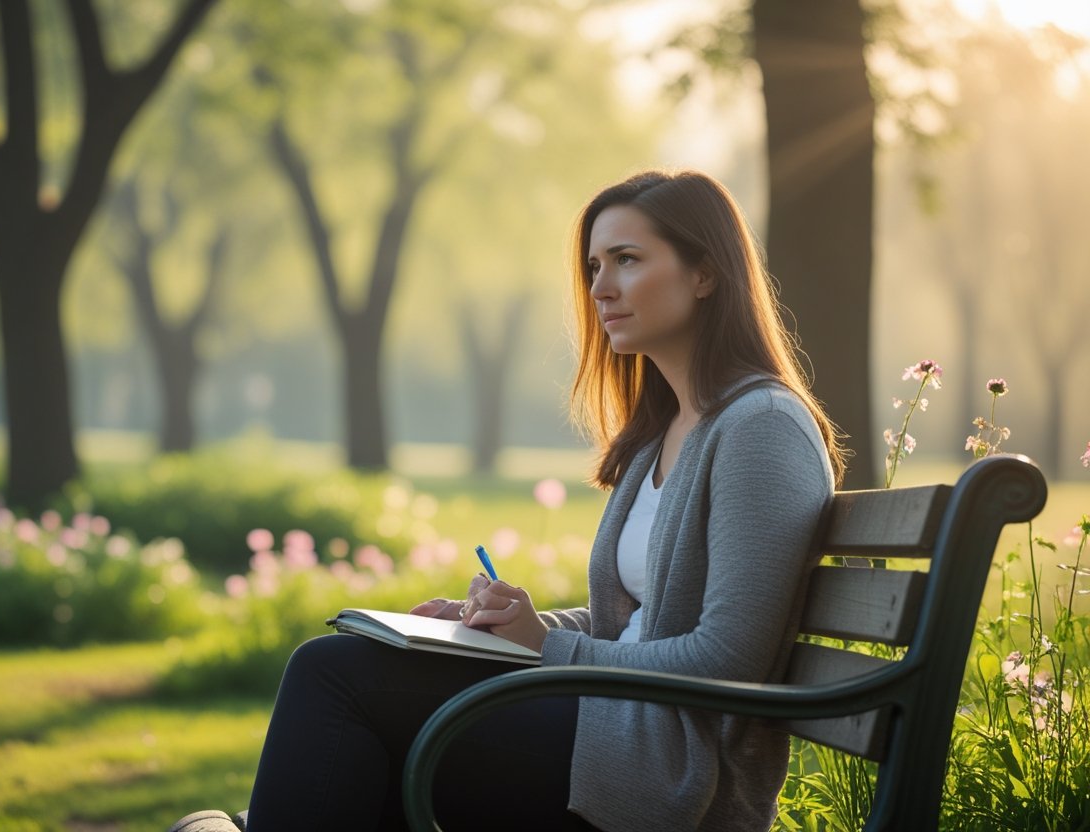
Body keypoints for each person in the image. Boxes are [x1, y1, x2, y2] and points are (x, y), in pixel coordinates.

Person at [169, 168, 844, 832]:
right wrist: (508, 628)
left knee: (335, 677)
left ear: (705, 274)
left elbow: (727, 659)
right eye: (594, 266)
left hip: (666, 769)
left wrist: (546, 651)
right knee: (360, 707)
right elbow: (641, 624)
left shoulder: (760, 428)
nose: (600, 288)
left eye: (627, 260)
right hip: (609, 722)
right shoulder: (664, 432)